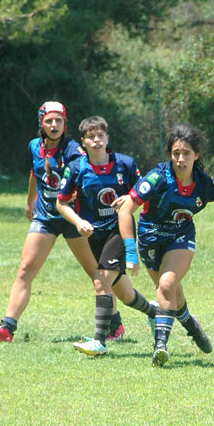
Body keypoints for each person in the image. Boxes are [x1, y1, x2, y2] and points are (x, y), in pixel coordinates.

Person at [119, 123, 214, 366]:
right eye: (176, 153)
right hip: (150, 238)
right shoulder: (158, 178)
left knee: (166, 285)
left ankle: (160, 346)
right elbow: (126, 210)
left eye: (186, 153)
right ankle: (192, 326)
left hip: (180, 237)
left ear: (197, 155)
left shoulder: (204, 184)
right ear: (170, 155)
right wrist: (130, 251)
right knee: (172, 294)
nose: (181, 159)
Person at [0, 102, 104, 342]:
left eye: (58, 120)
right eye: (49, 120)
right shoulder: (34, 146)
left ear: (65, 123)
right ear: (41, 123)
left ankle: (114, 324)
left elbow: (85, 175)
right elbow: (35, 174)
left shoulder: (73, 150)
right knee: (25, 269)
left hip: (71, 218)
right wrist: (29, 202)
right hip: (45, 217)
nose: (54, 125)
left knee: (95, 271)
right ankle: (7, 327)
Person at [56, 116, 158, 355]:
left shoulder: (125, 164)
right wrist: (79, 222)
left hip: (119, 231)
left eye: (100, 135)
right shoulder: (76, 168)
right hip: (94, 235)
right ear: (83, 142)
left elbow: (144, 191)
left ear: (107, 138)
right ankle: (157, 314)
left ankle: (99, 341)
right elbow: (61, 203)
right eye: (91, 137)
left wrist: (131, 200)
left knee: (101, 280)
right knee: (123, 294)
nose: (97, 140)